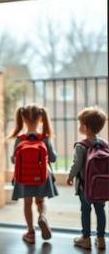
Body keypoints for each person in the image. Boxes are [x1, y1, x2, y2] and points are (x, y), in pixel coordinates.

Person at [9, 104, 58, 243]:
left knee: (27, 203)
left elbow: (14, 159)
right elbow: (53, 158)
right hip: (42, 177)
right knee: (40, 201)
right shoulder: (44, 138)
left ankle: (30, 233)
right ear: (41, 119)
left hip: (24, 177)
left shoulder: (20, 139)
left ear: (23, 119)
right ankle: (42, 216)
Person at [67, 107, 107, 250]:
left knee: (85, 210)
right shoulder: (104, 144)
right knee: (100, 210)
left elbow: (76, 165)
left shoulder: (81, 146)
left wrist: (70, 177)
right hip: (101, 187)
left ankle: (85, 239)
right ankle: (101, 239)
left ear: (84, 127)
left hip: (85, 187)